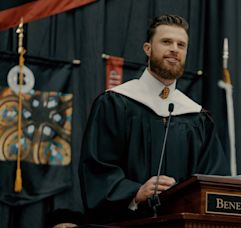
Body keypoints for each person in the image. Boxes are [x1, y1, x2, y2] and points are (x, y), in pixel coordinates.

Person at [79, 14, 230, 224]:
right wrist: (135, 192)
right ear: (147, 49)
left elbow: (213, 182)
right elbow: (97, 169)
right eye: (166, 42)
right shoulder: (116, 103)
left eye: (181, 45)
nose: (174, 49)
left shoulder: (196, 117)